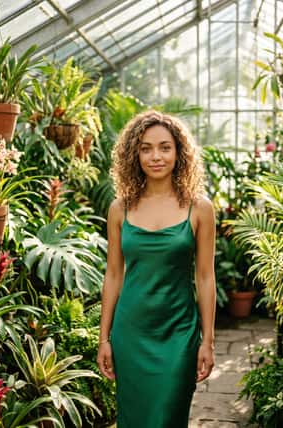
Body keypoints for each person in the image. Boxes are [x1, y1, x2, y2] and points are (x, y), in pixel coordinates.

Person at [97, 110, 216, 428]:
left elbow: (205, 277)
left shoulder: (199, 207)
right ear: (134, 155)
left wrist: (207, 340)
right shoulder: (119, 208)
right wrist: (104, 338)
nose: (156, 156)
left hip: (179, 333)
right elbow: (113, 275)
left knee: (167, 418)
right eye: (146, 148)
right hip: (130, 334)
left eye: (165, 147)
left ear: (179, 152)